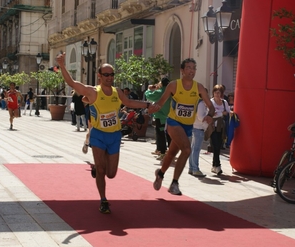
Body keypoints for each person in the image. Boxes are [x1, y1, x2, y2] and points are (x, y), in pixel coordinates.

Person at [56, 52, 155, 214]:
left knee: (111, 174)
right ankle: (103, 200)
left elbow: (129, 102)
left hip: (114, 136)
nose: (110, 77)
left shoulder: (117, 92)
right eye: (106, 75)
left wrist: (147, 104)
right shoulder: (93, 92)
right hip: (98, 135)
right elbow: (72, 83)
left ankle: (98, 166)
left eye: (112, 74)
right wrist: (62, 65)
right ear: (100, 76)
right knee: (101, 171)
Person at [150, 58, 215, 195]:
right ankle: (174, 183)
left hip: (187, 126)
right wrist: (149, 109)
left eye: (194, 68)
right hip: (173, 122)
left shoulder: (199, 87)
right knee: (186, 150)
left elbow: (211, 106)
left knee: (172, 153)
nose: (192, 70)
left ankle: (160, 174)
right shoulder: (174, 85)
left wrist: (210, 115)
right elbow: (160, 102)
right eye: (189, 67)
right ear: (182, 70)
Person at [145, 77, 172, 160]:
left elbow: (148, 96)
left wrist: (149, 89)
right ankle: (171, 153)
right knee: (170, 136)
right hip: (171, 118)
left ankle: (162, 153)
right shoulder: (171, 92)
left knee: (161, 136)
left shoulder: (160, 92)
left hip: (160, 117)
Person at [207, 85, 230, 175]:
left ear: (221, 93)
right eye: (215, 92)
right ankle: (218, 166)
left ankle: (214, 166)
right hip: (212, 126)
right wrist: (221, 113)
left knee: (218, 146)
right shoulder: (211, 102)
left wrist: (227, 112)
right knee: (216, 146)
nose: (217, 94)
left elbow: (227, 111)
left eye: (219, 92)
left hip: (221, 127)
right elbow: (210, 114)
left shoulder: (224, 102)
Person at [188, 89, 209, 177]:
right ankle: (195, 169)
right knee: (196, 149)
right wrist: (209, 115)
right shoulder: (201, 104)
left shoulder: (197, 102)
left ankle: (191, 168)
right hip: (199, 127)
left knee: (193, 148)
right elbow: (201, 117)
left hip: (195, 126)